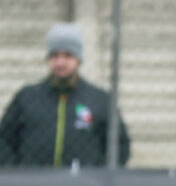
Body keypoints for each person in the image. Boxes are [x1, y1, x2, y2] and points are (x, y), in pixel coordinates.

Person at [0, 23, 130, 168]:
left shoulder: (100, 100)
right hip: (34, 185)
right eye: (55, 56)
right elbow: (4, 139)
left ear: (78, 59)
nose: (60, 63)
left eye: (68, 55)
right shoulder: (26, 97)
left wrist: (99, 175)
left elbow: (120, 144)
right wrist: (16, 172)